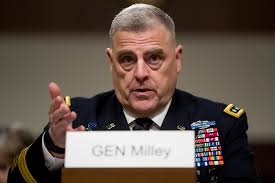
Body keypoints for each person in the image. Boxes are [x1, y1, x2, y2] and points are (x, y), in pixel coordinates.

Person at [8, 3, 259, 183]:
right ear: (111, 62)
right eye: (127, 59)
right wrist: (54, 147)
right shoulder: (76, 118)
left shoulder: (220, 123)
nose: (140, 73)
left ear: (177, 59)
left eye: (154, 58)